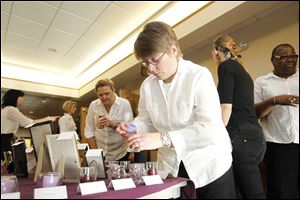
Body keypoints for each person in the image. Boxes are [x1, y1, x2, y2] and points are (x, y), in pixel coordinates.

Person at [117, 21, 236, 199]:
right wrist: (131, 129)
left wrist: (163, 138)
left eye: (155, 60)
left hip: (209, 164)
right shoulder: (147, 86)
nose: (150, 69)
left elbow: (210, 128)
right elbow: (145, 121)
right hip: (172, 167)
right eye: (145, 63)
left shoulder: (198, 76)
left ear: (173, 50)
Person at [212, 34, 266, 199]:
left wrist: (215, 136)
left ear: (216, 52)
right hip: (255, 137)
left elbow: (226, 106)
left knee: (252, 194)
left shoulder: (226, 66)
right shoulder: (241, 69)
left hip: (241, 137)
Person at [254, 43, 299, 199]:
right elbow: (254, 113)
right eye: (284, 56)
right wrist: (273, 101)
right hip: (279, 145)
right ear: (273, 60)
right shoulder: (262, 82)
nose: (291, 59)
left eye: (293, 56)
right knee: (282, 192)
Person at [1, 89, 59, 171]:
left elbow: (12, 125)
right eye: (21, 97)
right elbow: (28, 122)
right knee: (18, 161)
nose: (23, 99)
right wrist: (48, 118)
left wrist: (14, 135)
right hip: (4, 140)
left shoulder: (5, 110)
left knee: (13, 162)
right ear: (15, 98)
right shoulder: (11, 109)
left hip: (5, 138)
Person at [84, 79, 134, 162]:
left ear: (113, 90)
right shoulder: (93, 105)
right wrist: (95, 153)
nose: (104, 97)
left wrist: (112, 124)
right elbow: (89, 131)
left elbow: (131, 129)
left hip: (121, 152)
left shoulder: (124, 104)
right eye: (100, 95)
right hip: (100, 152)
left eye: (107, 93)